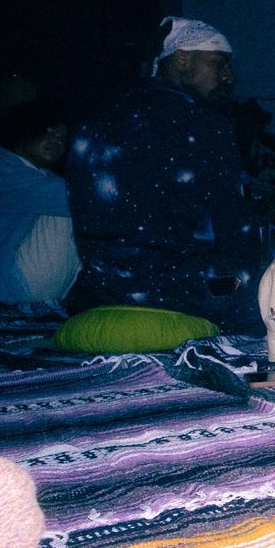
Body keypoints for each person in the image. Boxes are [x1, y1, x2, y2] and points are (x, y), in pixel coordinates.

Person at [64, 17, 261, 329]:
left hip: (101, 295)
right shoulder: (204, 123)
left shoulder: (96, 122)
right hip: (182, 298)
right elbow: (233, 229)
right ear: (182, 59)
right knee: (270, 287)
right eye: (219, 63)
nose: (229, 76)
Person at [0, 98, 80, 307]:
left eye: (62, 138)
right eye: (48, 132)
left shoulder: (43, 177)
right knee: (79, 200)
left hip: (29, 289)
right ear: (23, 132)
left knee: (82, 201)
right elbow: (72, 197)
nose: (57, 142)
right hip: (2, 287)